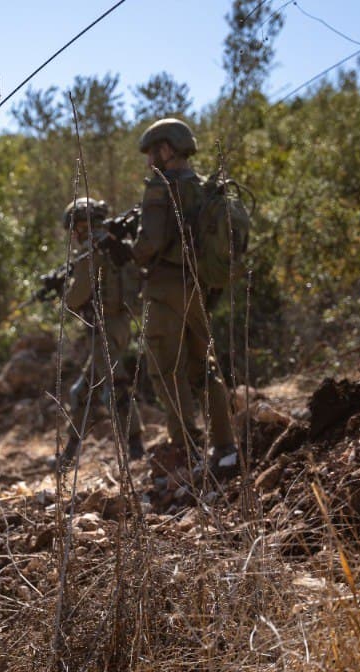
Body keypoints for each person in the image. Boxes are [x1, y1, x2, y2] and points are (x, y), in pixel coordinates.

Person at [132, 119, 238, 477]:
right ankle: (225, 449)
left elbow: (150, 244)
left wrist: (127, 253)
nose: (149, 163)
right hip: (198, 289)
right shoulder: (206, 188)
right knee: (204, 368)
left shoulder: (160, 188)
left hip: (165, 290)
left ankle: (188, 450)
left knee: (166, 369)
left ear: (167, 149)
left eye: (152, 153)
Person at [53, 197, 145, 466]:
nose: (73, 234)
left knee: (114, 389)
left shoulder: (89, 251)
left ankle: (137, 447)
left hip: (103, 328)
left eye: (74, 227)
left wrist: (64, 292)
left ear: (81, 225)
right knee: (81, 392)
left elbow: (76, 297)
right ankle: (70, 451)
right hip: (119, 325)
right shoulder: (115, 245)